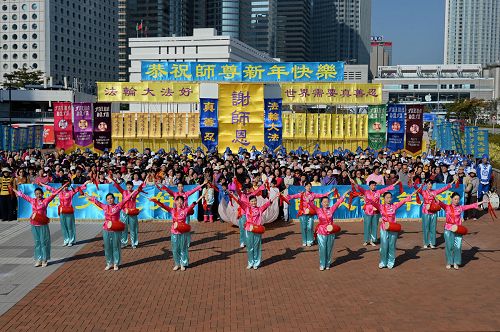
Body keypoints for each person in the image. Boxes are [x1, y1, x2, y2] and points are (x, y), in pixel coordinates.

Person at [85, 187, 141, 271]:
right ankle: (109, 263)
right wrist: (89, 197)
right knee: (107, 247)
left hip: (116, 229)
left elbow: (125, 199)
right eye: (108, 199)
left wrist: (132, 193)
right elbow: (97, 202)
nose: (110, 200)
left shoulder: (118, 206)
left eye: (111, 198)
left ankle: (116, 263)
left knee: (116, 246)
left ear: (114, 199)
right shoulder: (105, 207)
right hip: (106, 229)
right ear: (106, 200)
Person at [14, 183, 68, 267]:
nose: (38, 195)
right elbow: (23, 195)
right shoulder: (32, 200)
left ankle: (44, 259)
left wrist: (62, 187)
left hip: (43, 224)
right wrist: (14, 190)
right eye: (37, 194)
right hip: (34, 224)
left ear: (42, 194)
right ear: (35, 195)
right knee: (37, 242)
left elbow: (54, 194)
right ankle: (38, 259)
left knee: (44, 242)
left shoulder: (45, 201)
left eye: (40, 193)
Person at [149, 195, 202, 271]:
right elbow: (163, 205)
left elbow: (193, 204)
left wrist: (201, 196)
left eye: (181, 200)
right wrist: (155, 201)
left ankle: (183, 264)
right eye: (178, 200)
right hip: (174, 232)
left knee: (183, 248)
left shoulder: (185, 210)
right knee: (175, 249)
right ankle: (177, 264)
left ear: (183, 202)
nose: (179, 202)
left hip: (182, 232)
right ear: (175, 201)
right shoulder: (172, 210)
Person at [366, 191, 416, 269]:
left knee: (392, 246)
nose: (389, 199)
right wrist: (366, 198)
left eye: (390, 197)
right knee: (384, 246)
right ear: (384, 199)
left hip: (393, 228)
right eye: (387, 198)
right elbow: (372, 202)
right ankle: (383, 262)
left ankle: (391, 262)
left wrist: (410, 196)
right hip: (384, 229)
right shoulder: (380, 206)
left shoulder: (394, 206)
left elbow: (403, 201)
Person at [229, 192, 278, 270]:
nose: (253, 202)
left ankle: (256, 262)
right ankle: (250, 262)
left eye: (255, 201)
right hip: (249, 229)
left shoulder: (260, 209)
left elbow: (267, 204)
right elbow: (239, 201)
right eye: (252, 201)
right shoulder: (246, 208)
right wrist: (232, 194)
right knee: (249, 247)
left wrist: (276, 196)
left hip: (257, 230)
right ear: (249, 202)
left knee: (257, 247)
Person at [436, 192, 484, 270]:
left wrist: (480, 202)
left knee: (458, 246)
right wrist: (434, 196)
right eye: (455, 199)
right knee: (449, 246)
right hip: (448, 229)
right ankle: (449, 262)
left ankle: (456, 262)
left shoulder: (460, 208)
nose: (457, 201)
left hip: (458, 229)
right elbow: (439, 202)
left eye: (458, 199)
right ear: (451, 199)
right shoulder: (447, 207)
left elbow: (470, 206)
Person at [38, 180, 89, 246]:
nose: (65, 187)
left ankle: (72, 240)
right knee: (63, 226)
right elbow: (50, 188)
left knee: (70, 226)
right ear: (62, 186)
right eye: (64, 186)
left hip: (69, 211)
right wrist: (42, 184)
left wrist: (85, 183)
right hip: (62, 212)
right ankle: (66, 239)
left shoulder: (71, 192)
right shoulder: (59, 192)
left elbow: (79, 188)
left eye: (67, 186)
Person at [352, 179, 399, 246]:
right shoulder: (365, 192)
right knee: (367, 225)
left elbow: (386, 188)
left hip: (376, 211)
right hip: (368, 210)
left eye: (375, 185)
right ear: (369, 186)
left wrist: (395, 183)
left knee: (374, 226)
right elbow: (359, 187)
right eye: (372, 185)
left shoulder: (378, 192)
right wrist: (354, 182)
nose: (374, 186)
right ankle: (366, 240)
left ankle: (372, 240)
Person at [308, 192, 348, 271]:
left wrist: (344, 195)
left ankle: (328, 264)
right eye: (324, 202)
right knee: (322, 248)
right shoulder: (318, 210)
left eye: (327, 201)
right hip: (321, 232)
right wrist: (308, 199)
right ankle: (322, 264)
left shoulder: (331, 209)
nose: (326, 203)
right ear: (321, 203)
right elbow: (310, 203)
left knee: (329, 248)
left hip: (331, 231)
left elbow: (338, 202)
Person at [286, 183, 334, 247]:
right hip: (303, 213)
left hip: (310, 213)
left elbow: (322, 195)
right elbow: (294, 196)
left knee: (310, 227)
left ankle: (310, 241)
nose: (309, 187)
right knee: (304, 228)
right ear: (305, 187)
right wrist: (288, 197)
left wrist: (330, 192)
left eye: (310, 186)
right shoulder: (302, 194)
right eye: (307, 186)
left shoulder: (313, 194)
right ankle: (304, 241)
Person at [111, 177, 146, 249]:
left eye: (130, 185)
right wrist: (111, 179)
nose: (129, 186)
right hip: (124, 213)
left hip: (132, 213)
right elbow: (117, 185)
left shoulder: (135, 192)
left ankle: (134, 243)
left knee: (133, 229)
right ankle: (124, 242)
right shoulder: (123, 192)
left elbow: (141, 186)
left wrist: (146, 178)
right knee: (124, 228)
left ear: (132, 186)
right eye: (127, 185)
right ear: (126, 186)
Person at [420, 179, 454, 248]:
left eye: (431, 184)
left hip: (433, 211)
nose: (430, 185)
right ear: (426, 184)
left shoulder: (434, 192)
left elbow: (443, 189)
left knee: (433, 227)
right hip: (426, 211)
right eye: (428, 184)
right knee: (426, 228)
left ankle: (432, 243)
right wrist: (412, 180)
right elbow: (415, 187)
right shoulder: (423, 192)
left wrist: (452, 182)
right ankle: (426, 243)